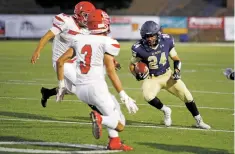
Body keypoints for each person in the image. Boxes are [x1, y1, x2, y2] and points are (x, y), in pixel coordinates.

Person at [56, 9, 138, 151]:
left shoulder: (79, 38)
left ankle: (114, 142)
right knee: (120, 124)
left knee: (114, 107)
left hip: (81, 89)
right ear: (103, 24)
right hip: (96, 88)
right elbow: (111, 72)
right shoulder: (108, 42)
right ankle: (100, 119)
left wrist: (62, 85)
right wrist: (124, 95)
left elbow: (60, 62)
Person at [129, 21, 211, 129]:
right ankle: (166, 110)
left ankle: (199, 121)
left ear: (157, 33)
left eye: (151, 36)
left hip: (167, 75)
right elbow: (132, 65)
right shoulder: (138, 48)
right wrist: (136, 74)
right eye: (147, 36)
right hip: (152, 78)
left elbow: (176, 59)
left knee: (187, 96)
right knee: (148, 96)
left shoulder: (167, 40)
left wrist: (177, 71)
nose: (149, 39)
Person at [30, 1, 96, 107]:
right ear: (78, 13)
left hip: (75, 61)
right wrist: (37, 51)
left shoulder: (87, 29)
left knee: (74, 90)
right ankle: (101, 113)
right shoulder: (66, 21)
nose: (88, 18)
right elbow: (47, 36)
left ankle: (47, 92)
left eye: (90, 16)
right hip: (60, 61)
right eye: (86, 15)